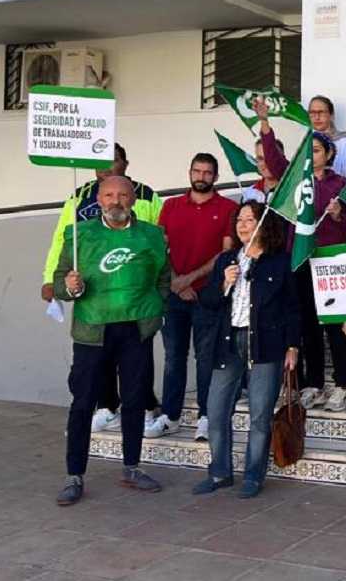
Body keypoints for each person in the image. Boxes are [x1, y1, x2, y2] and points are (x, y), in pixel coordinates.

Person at [52, 176, 170, 506]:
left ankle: (131, 468)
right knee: (83, 403)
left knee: (134, 401)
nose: (115, 200)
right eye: (108, 195)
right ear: (99, 200)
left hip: (136, 331)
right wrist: (71, 287)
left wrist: (157, 310)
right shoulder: (79, 235)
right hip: (92, 332)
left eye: (122, 195)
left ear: (133, 199)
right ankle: (74, 475)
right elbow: (60, 283)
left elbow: (164, 277)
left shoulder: (151, 235)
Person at [41, 143, 162, 433]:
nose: (106, 167)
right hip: (93, 291)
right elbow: (62, 239)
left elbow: (159, 241)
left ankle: (145, 406)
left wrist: (158, 291)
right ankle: (107, 406)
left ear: (126, 163)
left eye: (113, 160)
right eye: (99, 161)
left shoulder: (146, 195)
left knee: (137, 357)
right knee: (98, 352)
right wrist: (50, 277)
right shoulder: (80, 196)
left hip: (133, 292)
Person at [194, 201, 302, 499]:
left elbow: (293, 307)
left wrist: (293, 346)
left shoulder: (279, 262)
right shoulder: (227, 260)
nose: (242, 225)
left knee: (259, 416)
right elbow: (207, 300)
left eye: (249, 219)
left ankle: (253, 475)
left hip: (266, 345)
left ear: (263, 225)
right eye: (239, 219)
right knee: (216, 412)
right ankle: (219, 472)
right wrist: (223, 284)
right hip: (228, 346)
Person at [147, 154, 236, 441]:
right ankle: (170, 416)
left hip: (207, 296)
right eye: (197, 171)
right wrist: (176, 280)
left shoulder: (227, 208)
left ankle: (206, 417)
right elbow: (160, 246)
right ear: (189, 172)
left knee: (205, 358)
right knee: (174, 357)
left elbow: (225, 253)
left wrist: (190, 278)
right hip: (174, 295)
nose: (201, 176)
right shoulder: (171, 206)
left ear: (215, 176)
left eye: (207, 172)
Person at [297, 131, 346, 413]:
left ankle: (342, 384)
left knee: (336, 326)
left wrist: (338, 216)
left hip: (332, 263)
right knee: (310, 326)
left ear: (329, 154)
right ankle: (314, 383)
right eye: (308, 151)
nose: (313, 156)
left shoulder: (342, 184)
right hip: (304, 262)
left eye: (318, 150)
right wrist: (264, 125)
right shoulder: (297, 184)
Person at [240, 98, 287, 204]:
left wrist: (264, 121)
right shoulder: (249, 193)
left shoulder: (292, 189)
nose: (266, 163)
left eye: (270, 158)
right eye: (260, 159)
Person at [308, 95, 346, 179]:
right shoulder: (307, 141)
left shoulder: (345, 142)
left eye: (321, 112)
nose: (317, 117)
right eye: (312, 113)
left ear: (331, 115)